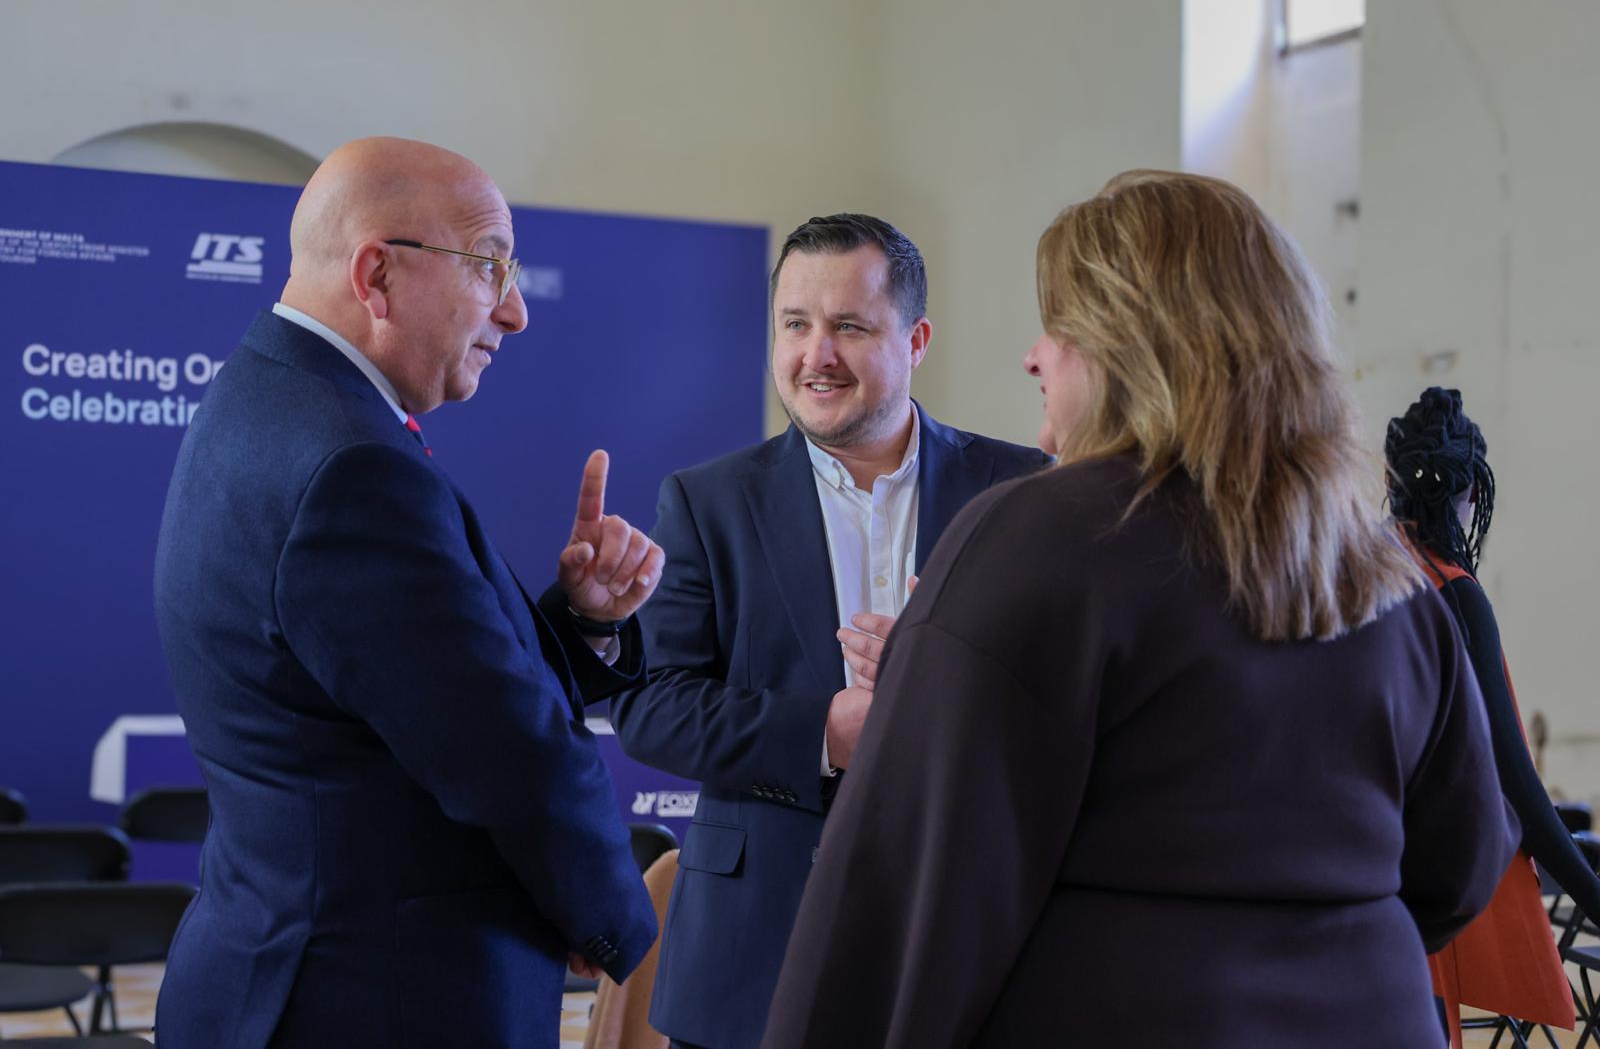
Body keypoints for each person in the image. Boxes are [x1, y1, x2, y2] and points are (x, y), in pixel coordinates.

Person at [759, 171, 1519, 1048]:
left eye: (1060, 329)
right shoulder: (1384, 574)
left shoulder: (1037, 536)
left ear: (1129, 347)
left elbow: (902, 900)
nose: (1034, 358)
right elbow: (1463, 865)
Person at [153, 137, 660, 1049]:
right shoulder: (351, 465)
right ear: (377, 274)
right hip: (373, 997)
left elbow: (414, 690)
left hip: (298, 973)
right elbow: (503, 749)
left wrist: (582, 621)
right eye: (489, 266)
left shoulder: (272, 396)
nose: (515, 311)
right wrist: (617, 923)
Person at [608, 213, 1049, 1048]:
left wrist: (957, 687)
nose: (817, 355)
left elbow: (1073, 698)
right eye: (795, 324)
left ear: (916, 341)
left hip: (970, 940)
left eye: (849, 326)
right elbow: (650, 706)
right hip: (753, 956)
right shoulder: (706, 503)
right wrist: (828, 731)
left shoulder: (1018, 490)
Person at [1388, 386, 1597, 1047]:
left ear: (1390, 484)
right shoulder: (1453, 594)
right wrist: (1593, 895)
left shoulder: (1358, 577)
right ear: (1473, 492)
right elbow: (1514, 783)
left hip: (1349, 876)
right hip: (1418, 894)